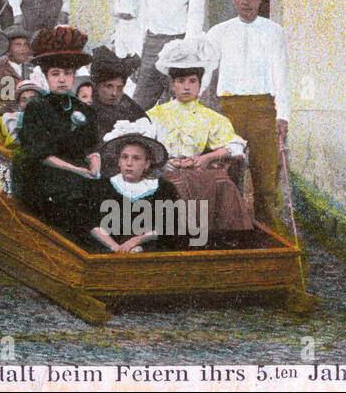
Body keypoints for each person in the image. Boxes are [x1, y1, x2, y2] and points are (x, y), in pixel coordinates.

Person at [205, 0, 291, 233]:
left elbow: (282, 74)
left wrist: (283, 115)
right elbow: (208, 69)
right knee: (229, 173)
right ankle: (230, 229)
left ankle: (266, 228)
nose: (246, 1)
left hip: (264, 108)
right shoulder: (219, 32)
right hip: (229, 108)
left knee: (265, 174)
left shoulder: (274, 31)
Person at [145, 38, 253, 235]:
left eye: (192, 81)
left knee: (223, 183)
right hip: (166, 169)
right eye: (180, 81)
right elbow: (142, 147)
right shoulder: (156, 114)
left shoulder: (210, 117)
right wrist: (166, 162)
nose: (186, 87)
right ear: (172, 84)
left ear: (199, 84)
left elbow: (233, 147)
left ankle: (225, 238)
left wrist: (206, 158)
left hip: (197, 167)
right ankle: (183, 239)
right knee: (178, 187)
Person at [11, 26, 101, 233]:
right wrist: (77, 170)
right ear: (46, 77)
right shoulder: (37, 107)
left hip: (79, 173)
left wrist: (94, 162)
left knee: (103, 192)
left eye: (67, 73)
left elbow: (91, 146)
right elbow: (40, 155)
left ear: (74, 75)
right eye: (55, 74)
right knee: (69, 194)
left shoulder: (84, 109)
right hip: (44, 174)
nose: (62, 79)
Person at [85, 124, 187, 252]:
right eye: (124, 157)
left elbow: (171, 224)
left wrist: (136, 241)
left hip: (149, 251)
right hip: (108, 250)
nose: (129, 163)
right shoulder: (102, 186)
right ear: (118, 161)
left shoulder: (164, 188)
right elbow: (91, 222)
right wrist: (116, 247)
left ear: (147, 164)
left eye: (136, 158)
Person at [132, 0, 205, 110]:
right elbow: (142, 18)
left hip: (179, 45)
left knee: (179, 103)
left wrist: (186, 51)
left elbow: (195, 18)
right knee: (139, 104)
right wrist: (137, 55)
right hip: (151, 46)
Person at [87, 46, 147, 140]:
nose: (114, 93)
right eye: (109, 86)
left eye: (119, 88)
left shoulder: (127, 103)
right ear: (97, 85)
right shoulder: (86, 105)